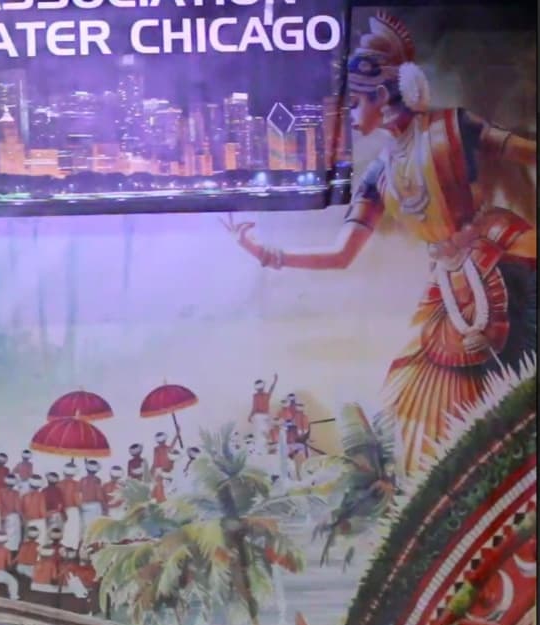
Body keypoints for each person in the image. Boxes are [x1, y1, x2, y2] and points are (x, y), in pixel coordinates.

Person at [223, 11, 536, 476]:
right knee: (412, 400)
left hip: (502, 251)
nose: (350, 117)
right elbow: (341, 255)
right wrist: (268, 255)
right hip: (450, 285)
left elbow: (523, 151)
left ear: (382, 96)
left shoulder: (452, 127)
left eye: (354, 104)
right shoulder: (378, 175)